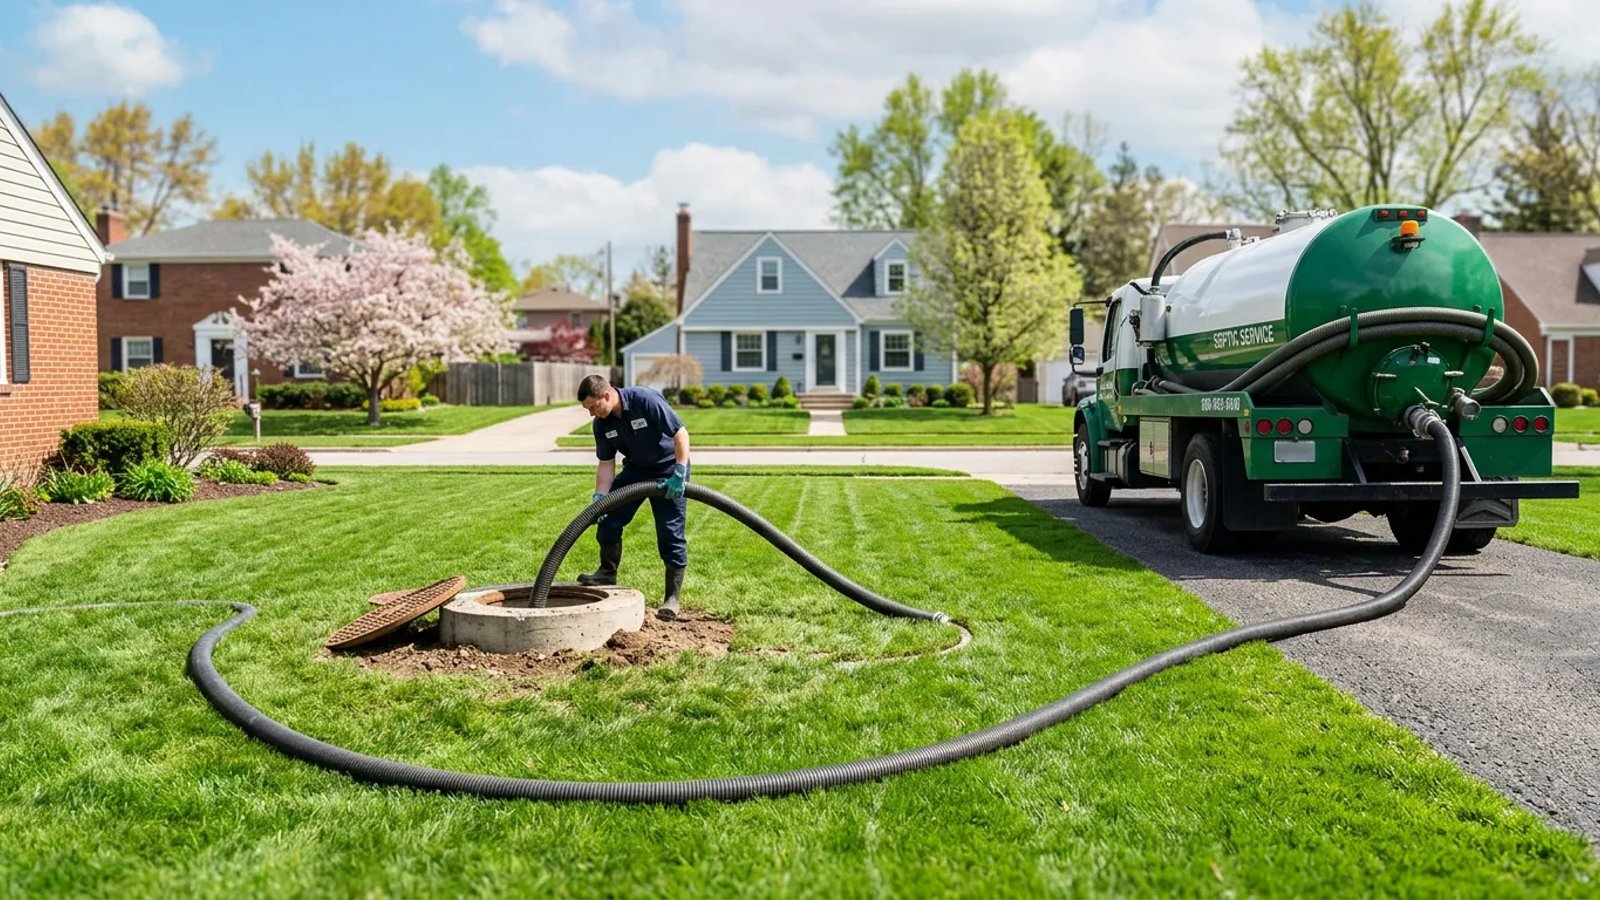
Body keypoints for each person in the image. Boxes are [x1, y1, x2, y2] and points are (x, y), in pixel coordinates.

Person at [575, 374, 691, 620]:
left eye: (593, 407)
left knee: (670, 533)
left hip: (669, 470)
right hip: (636, 471)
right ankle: (606, 573)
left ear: (607, 395)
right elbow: (606, 463)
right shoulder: (602, 424)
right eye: (588, 409)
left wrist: (680, 472)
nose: (591, 414)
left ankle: (672, 598)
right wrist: (600, 497)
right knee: (608, 520)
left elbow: (680, 434)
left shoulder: (644, 400)